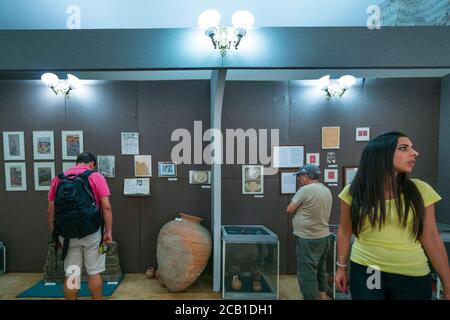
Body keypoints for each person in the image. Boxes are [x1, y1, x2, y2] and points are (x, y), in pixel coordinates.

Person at [335, 131, 450, 300]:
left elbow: (431, 237)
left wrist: (447, 284)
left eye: (412, 148)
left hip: (411, 271)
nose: (415, 153)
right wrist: (341, 267)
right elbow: (345, 231)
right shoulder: (354, 191)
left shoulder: (420, 190)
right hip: (369, 269)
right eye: (404, 148)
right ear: (381, 155)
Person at [47, 152, 113, 300]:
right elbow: (106, 208)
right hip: (91, 232)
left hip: (67, 235)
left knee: (72, 272)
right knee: (94, 272)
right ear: (92, 164)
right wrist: (108, 232)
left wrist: (56, 235)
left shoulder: (58, 179)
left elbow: (50, 211)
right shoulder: (96, 177)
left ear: (77, 162)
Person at [286, 164, 333, 300]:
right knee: (320, 270)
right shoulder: (326, 190)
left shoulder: (305, 190)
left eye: (300, 176)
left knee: (307, 275)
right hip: (324, 237)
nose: (299, 179)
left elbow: (289, 209)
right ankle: (323, 298)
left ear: (306, 176)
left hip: (308, 238)